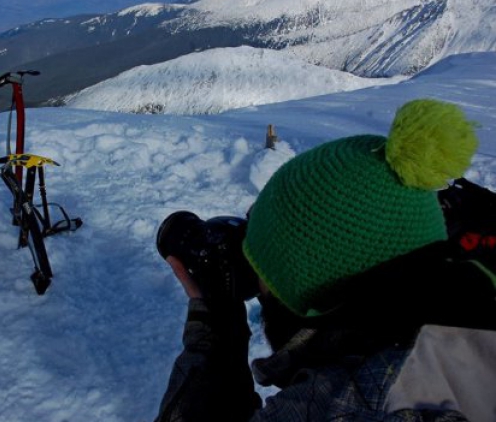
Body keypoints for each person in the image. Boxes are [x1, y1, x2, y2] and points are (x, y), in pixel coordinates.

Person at [155, 99, 496, 422]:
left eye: (263, 272)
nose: (255, 279)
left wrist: (216, 338)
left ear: (318, 293)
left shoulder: (348, 406)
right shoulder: (463, 318)